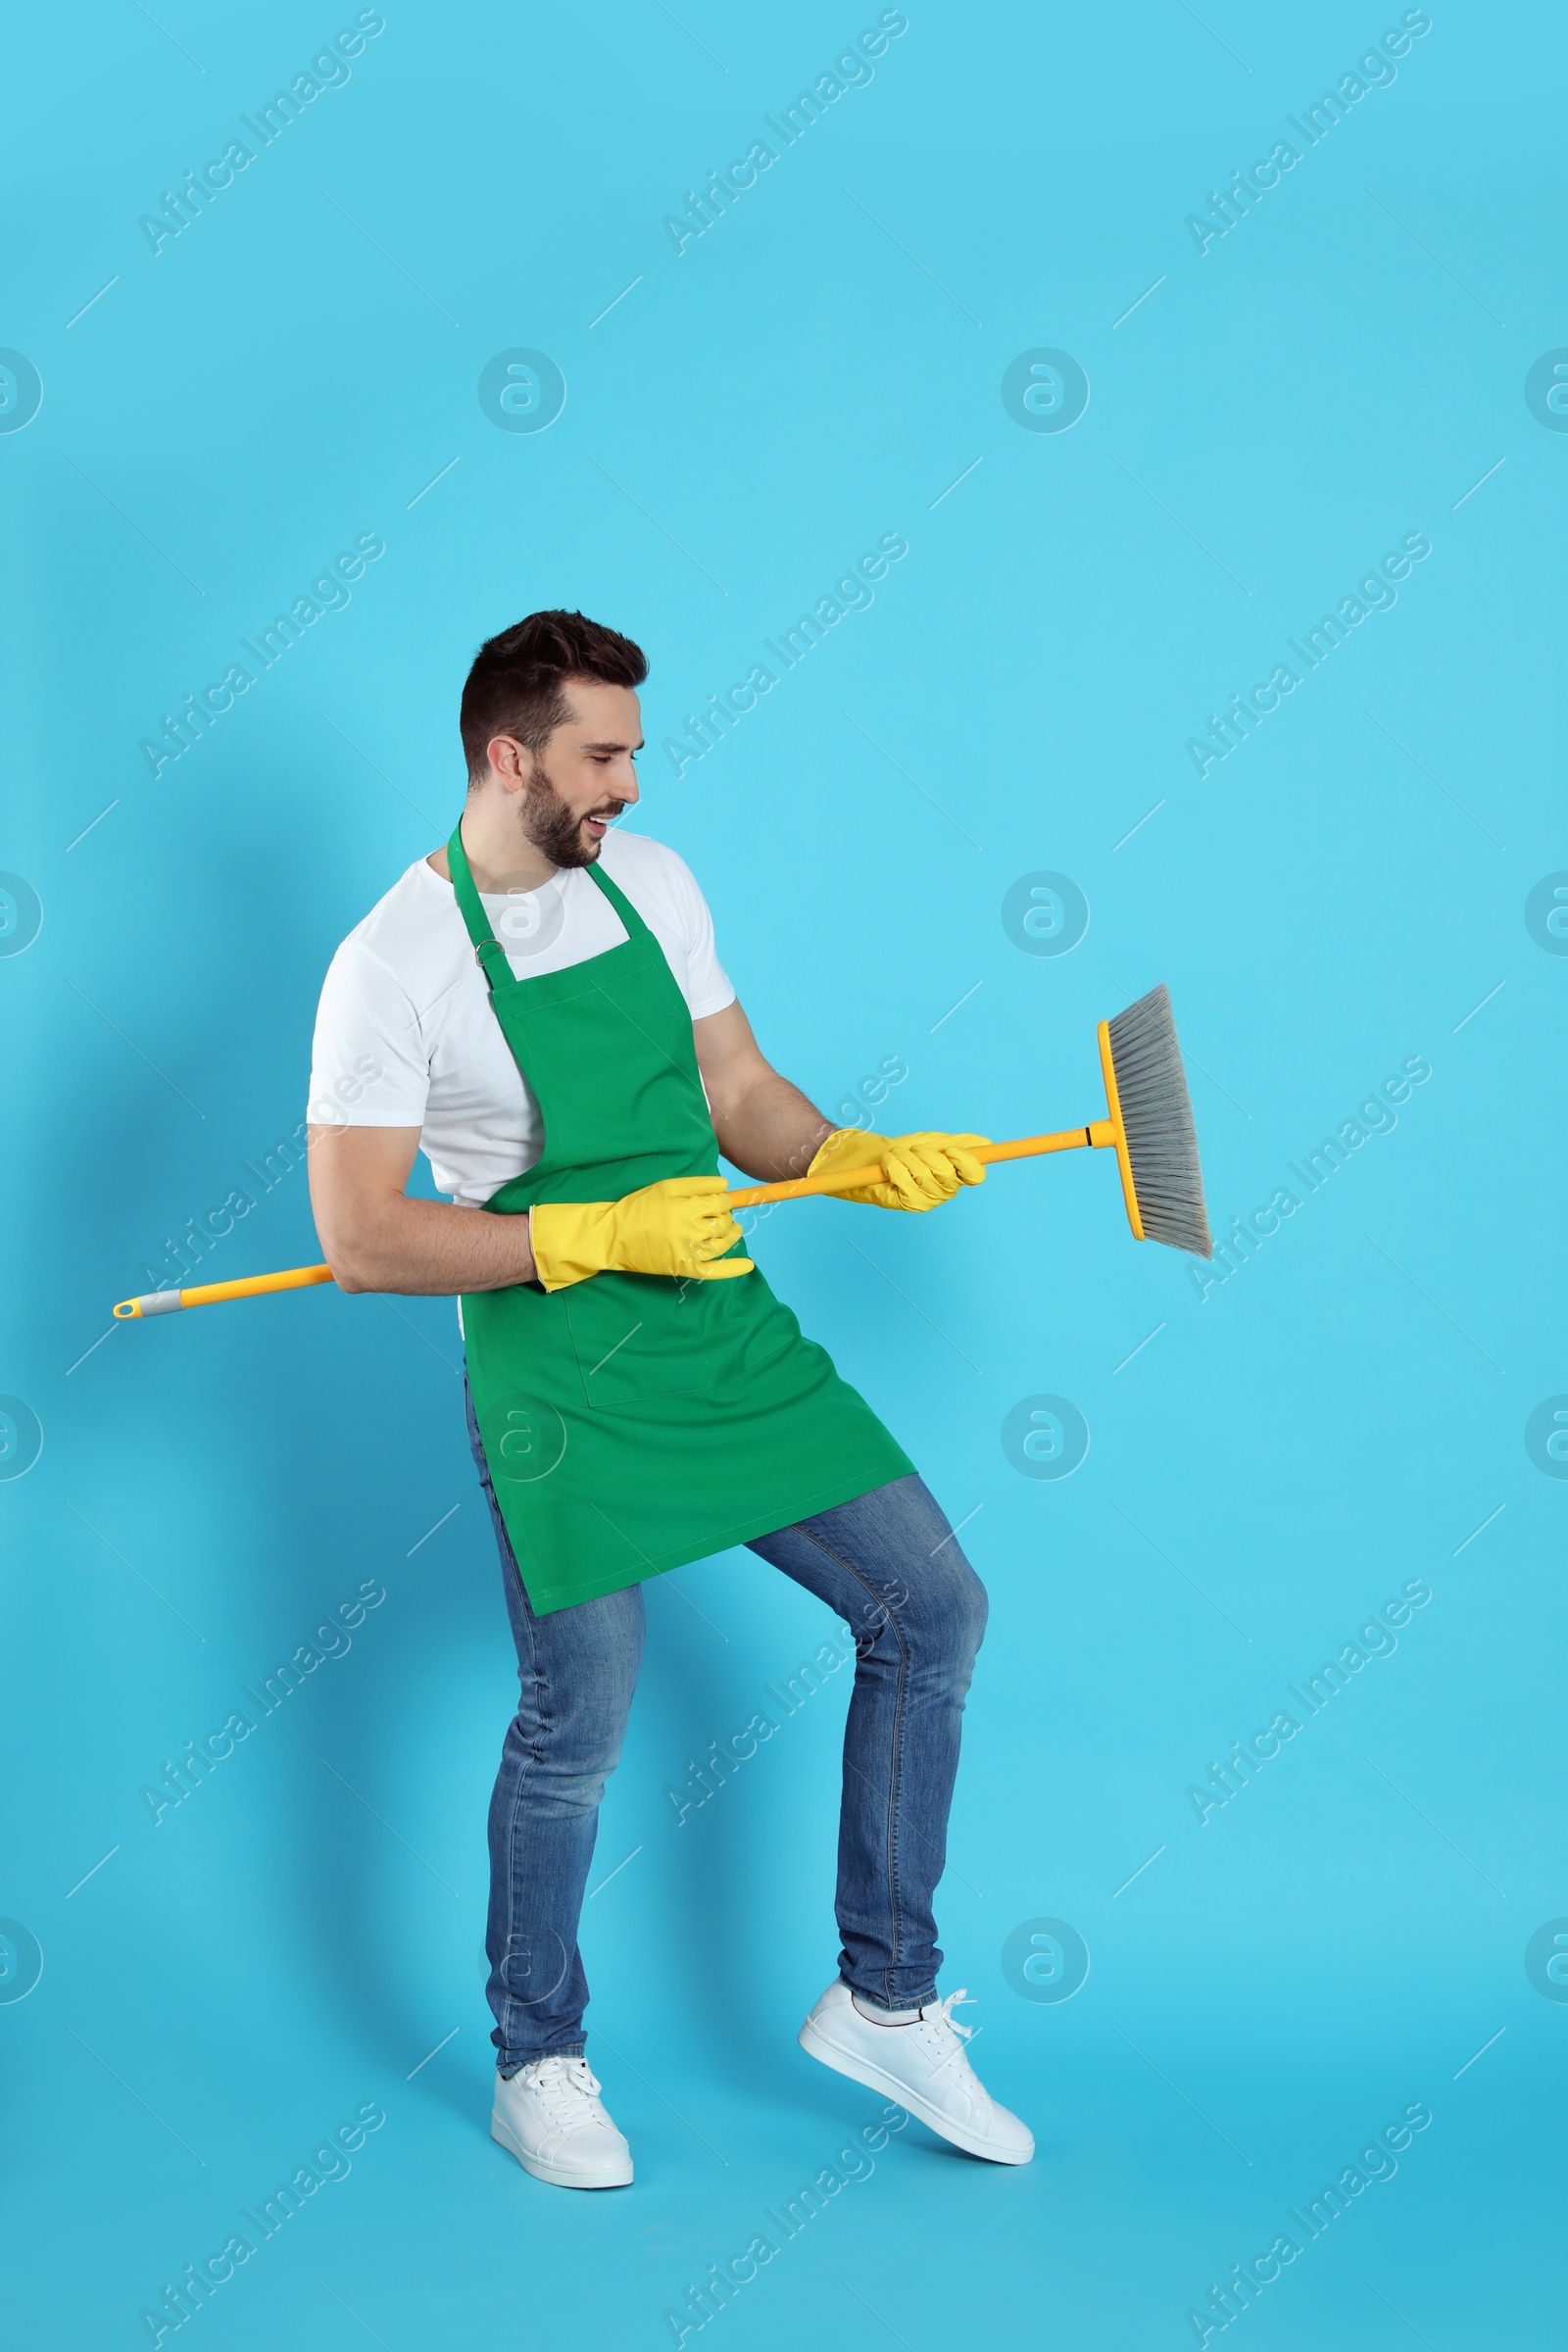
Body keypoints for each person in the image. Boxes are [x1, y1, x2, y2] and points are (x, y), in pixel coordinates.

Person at [306, 610, 1032, 2188]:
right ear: (512, 757)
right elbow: (359, 1238)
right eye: (604, 755)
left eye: (633, 750)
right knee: (582, 1721)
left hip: (720, 1326)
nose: (632, 782)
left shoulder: (652, 883)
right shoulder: (392, 964)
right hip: (558, 1367)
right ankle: (536, 2054)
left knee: (933, 1608)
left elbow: (736, 1094)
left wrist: (845, 1158)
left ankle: (888, 1998)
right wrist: (578, 1232)